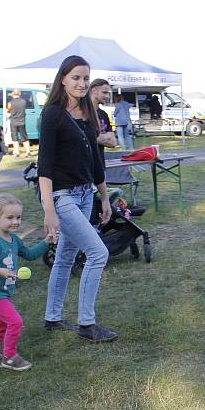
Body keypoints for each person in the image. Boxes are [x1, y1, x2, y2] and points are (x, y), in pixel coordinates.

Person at [38, 55, 117, 343]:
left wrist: (104, 196)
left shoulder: (89, 114)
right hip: (61, 196)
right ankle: (87, 324)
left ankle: (52, 317)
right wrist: (49, 211)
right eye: (75, 78)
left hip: (85, 195)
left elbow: (96, 160)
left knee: (65, 258)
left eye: (85, 78)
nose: (82, 83)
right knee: (98, 253)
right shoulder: (53, 114)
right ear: (63, 79)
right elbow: (44, 167)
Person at [0, 194, 52, 371]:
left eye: (18, 217)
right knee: (15, 322)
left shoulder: (14, 239)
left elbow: (30, 255)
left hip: (3, 291)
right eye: (9, 218)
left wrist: (46, 242)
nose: (15, 222)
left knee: (1, 322)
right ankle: (9, 357)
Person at [89, 79, 117, 150]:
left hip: (100, 160)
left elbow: (113, 142)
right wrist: (106, 136)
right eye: (104, 92)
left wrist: (95, 138)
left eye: (108, 93)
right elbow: (82, 138)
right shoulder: (81, 112)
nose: (107, 96)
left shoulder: (103, 114)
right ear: (94, 91)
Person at [7, 89, 30, 158]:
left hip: (13, 122)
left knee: (15, 138)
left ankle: (16, 153)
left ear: (13, 95)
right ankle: (28, 152)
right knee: (25, 138)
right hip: (22, 122)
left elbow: (8, 111)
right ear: (19, 94)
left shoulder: (10, 103)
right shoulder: (23, 101)